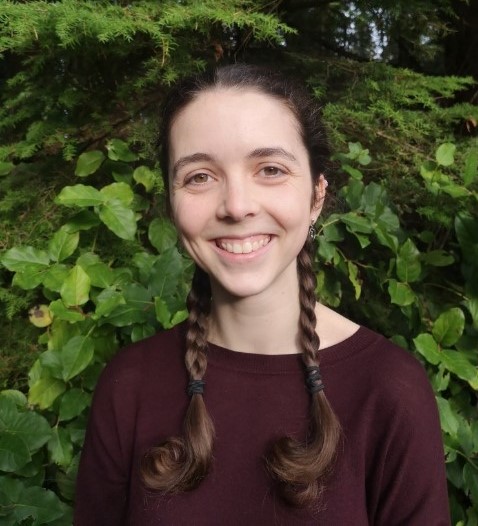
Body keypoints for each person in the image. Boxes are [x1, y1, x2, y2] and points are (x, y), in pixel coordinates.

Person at [74, 64, 450, 525]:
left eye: (270, 169)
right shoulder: (127, 387)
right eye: (199, 176)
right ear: (172, 204)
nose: (236, 205)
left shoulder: (391, 392)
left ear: (316, 195)